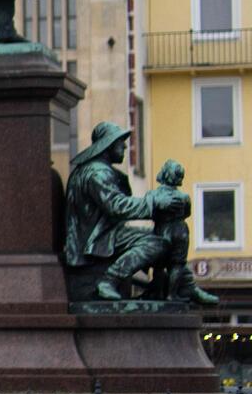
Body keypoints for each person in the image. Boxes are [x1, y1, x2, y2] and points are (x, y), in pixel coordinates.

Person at [63, 122, 208, 302]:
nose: (124, 146)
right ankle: (108, 281)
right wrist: (154, 203)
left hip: (102, 234)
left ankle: (181, 286)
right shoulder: (96, 173)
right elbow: (117, 206)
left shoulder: (96, 170)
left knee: (164, 237)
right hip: (94, 240)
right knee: (157, 244)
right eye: (120, 142)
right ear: (108, 145)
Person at [145, 160, 220, 305]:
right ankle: (172, 295)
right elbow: (187, 213)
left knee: (158, 264)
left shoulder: (153, 194)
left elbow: (150, 212)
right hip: (180, 230)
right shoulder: (184, 198)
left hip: (161, 230)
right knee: (177, 264)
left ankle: (159, 293)